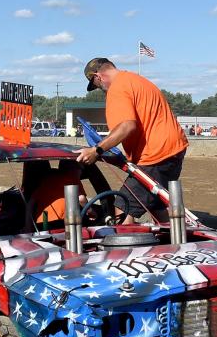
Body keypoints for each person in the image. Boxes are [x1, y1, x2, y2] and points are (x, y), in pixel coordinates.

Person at [75, 57, 188, 222]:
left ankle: (125, 246)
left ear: (97, 76)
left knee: (122, 211)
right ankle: (179, 240)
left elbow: (127, 126)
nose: (100, 89)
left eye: (97, 85)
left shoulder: (117, 88)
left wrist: (97, 150)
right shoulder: (134, 80)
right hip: (173, 150)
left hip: (155, 156)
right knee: (155, 206)